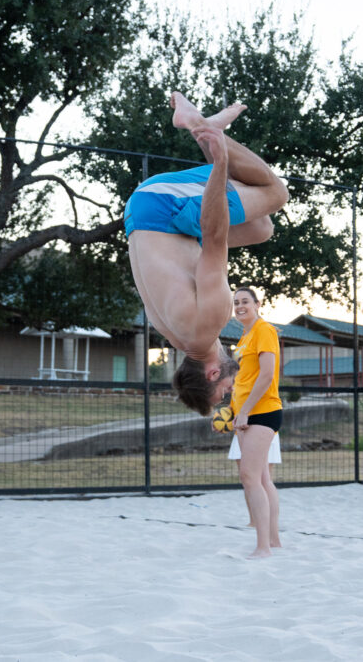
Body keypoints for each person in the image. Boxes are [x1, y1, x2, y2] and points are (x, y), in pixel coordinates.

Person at [125, 93, 289, 415]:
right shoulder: (179, 338)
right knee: (261, 228)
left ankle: (200, 126)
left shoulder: (207, 325)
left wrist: (220, 165)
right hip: (147, 221)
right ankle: (210, 132)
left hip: (161, 206)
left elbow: (214, 237)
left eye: (225, 391)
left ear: (213, 375)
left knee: (275, 193)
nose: (232, 388)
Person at [229, 286, 282, 558]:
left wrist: (246, 411)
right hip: (245, 415)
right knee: (261, 478)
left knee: (249, 477)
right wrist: (233, 412)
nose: (240, 306)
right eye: (236, 302)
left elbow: (267, 374)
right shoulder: (244, 336)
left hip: (262, 412)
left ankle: (263, 547)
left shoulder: (264, 330)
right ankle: (273, 541)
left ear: (257, 304)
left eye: (245, 301)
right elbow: (243, 380)